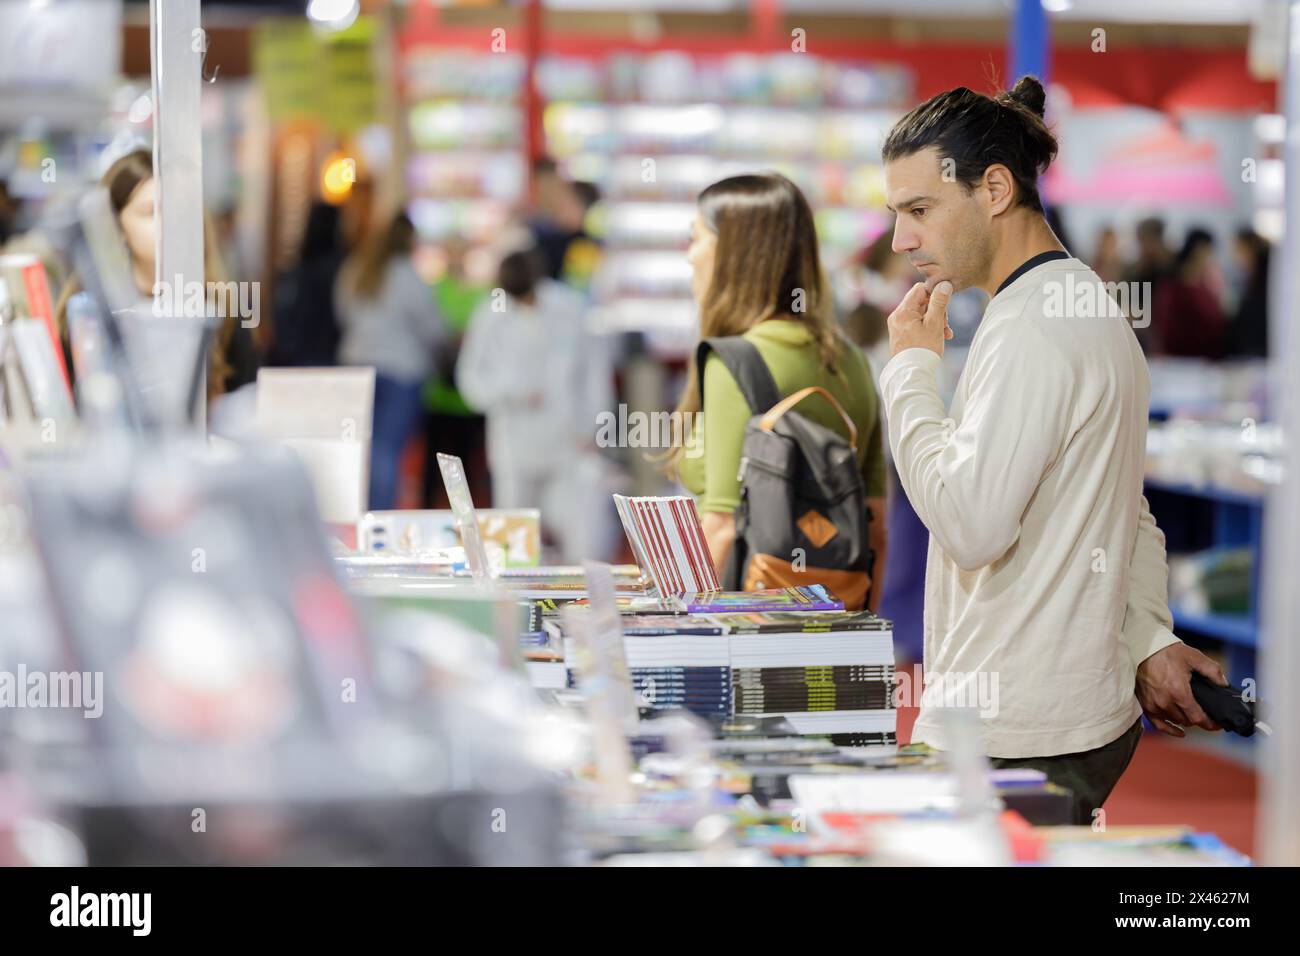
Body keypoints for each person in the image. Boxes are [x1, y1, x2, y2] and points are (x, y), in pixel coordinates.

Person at [876, 75, 1228, 823]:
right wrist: (1148, 637)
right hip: (1052, 713)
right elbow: (1121, 511)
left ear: (994, 189)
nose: (903, 239)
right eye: (898, 215)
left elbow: (971, 524)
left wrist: (908, 369)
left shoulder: (1035, 325)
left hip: (1015, 723)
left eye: (920, 210)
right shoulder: (1071, 304)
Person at [668, 172, 888, 610]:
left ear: (732, 253)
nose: (690, 257)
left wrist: (673, 629)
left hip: (745, 625)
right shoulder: (850, 359)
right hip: (832, 619)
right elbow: (876, 525)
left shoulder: (734, 362)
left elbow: (723, 526)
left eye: (696, 239)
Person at [54, 148, 257, 402]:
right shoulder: (86, 310)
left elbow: (246, 409)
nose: (169, 223)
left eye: (178, 209)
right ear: (116, 226)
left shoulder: (223, 309)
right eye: (150, 212)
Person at [456, 246, 613, 563]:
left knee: (581, 538)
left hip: (567, 440)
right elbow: (471, 380)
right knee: (512, 542)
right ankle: (513, 606)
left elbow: (595, 372)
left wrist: (596, 427)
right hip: (515, 443)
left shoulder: (568, 307)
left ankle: (578, 603)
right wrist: (511, 391)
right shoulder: (491, 314)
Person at [336, 212, 446, 512]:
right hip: (401, 372)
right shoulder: (407, 276)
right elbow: (433, 328)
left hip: (357, 366)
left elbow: (342, 313)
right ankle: (380, 519)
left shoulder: (357, 269)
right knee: (388, 451)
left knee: (360, 451)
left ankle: (356, 516)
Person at [269, 201, 347, 368]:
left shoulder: (297, 269)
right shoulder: (340, 269)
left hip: (296, 356)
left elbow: (282, 314)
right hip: (327, 356)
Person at [1152, 227, 1225, 359]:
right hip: (1181, 360)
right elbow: (1167, 329)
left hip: (1205, 358)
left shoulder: (1204, 283)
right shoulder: (1174, 287)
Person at [1226, 227, 1269, 358]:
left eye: (1239, 250)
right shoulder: (1251, 276)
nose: (1236, 257)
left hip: (1258, 350)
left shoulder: (1265, 279)